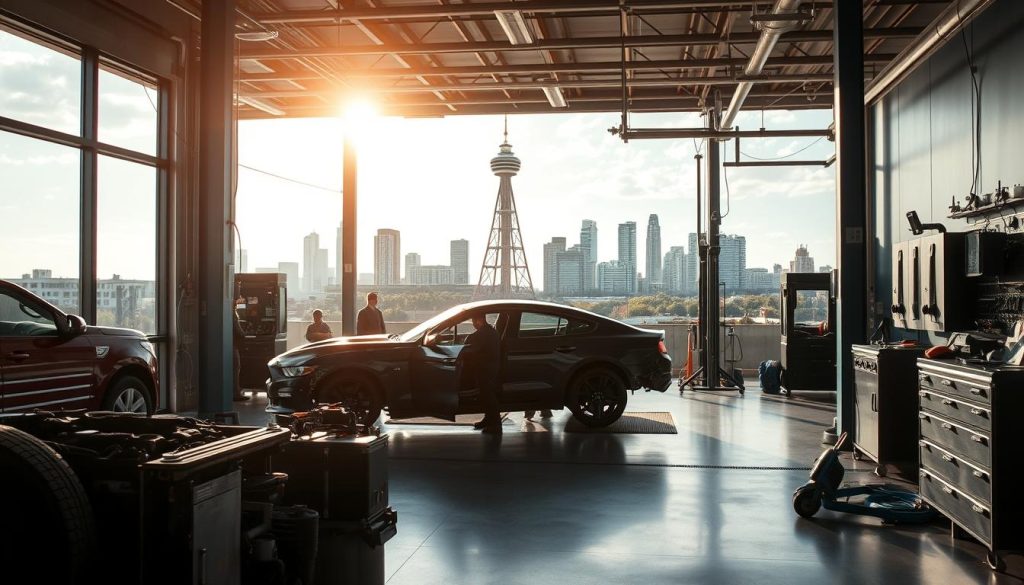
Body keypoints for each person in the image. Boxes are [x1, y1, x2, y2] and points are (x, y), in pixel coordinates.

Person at [460, 314, 502, 433]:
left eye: (474, 320)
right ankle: (489, 419)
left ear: (480, 320)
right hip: (489, 367)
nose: (473, 324)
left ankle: (495, 425)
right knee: (486, 395)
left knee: (488, 396)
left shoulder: (483, 334)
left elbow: (471, 348)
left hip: (486, 368)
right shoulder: (489, 332)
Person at [232, 297, 250, 401]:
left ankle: (235, 390)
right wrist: (246, 334)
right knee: (236, 367)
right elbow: (239, 331)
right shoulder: (233, 315)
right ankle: (236, 393)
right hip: (233, 345)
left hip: (231, 344)